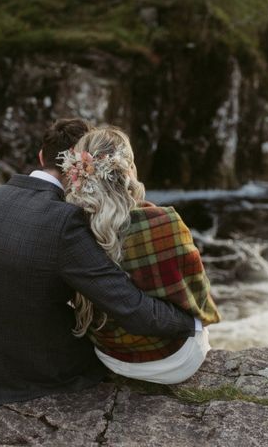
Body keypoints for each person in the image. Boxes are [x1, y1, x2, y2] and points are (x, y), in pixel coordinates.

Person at [0, 118, 199, 407]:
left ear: (41, 155)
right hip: (39, 372)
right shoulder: (64, 220)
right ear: (85, 164)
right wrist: (191, 321)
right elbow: (131, 308)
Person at [59, 127, 221, 384]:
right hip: (176, 359)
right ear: (129, 171)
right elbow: (196, 295)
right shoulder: (164, 221)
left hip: (111, 355)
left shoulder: (70, 227)